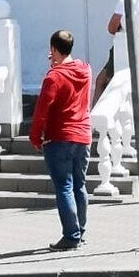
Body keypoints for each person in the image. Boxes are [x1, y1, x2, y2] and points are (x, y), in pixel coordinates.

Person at [28, 29, 92, 251]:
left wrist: (35, 136)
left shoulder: (53, 77)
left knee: (64, 187)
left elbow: (41, 111)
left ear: (53, 49)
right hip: (83, 135)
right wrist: (56, 64)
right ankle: (80, 233)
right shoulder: (85, 69)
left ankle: (71, 236)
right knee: (79, 186)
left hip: (60, 137)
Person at [92, 0, 139, 106]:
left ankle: (93, 115)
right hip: (137, 44)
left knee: (101, 81)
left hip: (122, 46)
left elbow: (111, 28)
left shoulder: (123, 2)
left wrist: (116, 28)